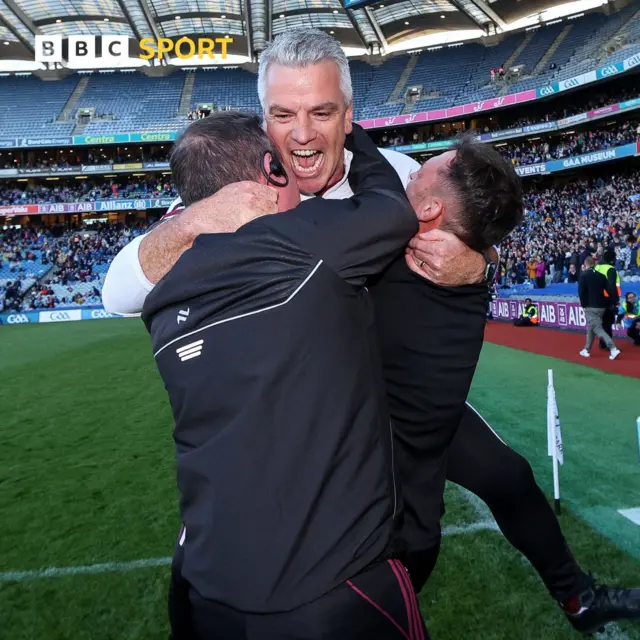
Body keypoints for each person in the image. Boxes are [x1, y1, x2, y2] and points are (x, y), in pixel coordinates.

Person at [103, 28, 640, 636]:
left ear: (348, 117)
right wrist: (195, 221)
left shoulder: (398, 176)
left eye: (321, 113)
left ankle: (577, 597)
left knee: (502, 476)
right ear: (264, 122)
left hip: (390, 385)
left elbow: (471, 218)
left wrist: (479, 262)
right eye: (284, 115)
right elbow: (117, 290)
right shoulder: (230, 191)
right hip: (294, 399)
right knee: (223, 542)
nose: (302, 134)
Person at [144, 113, 428, 639]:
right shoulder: (302, 243)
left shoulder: (161, 302)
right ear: (271, 171)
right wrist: (346, 126)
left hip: (212, 594)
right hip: (335, 589)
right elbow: (393, 210)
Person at [579, 256, 621, 360]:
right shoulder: (602, 276)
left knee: (597, 328)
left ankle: (613, 348)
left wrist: (583, 305)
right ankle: (586, 349)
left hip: (590, 306)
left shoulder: (583, 275)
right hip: (602, 306)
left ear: (585, 264)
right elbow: (610, 289)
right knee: (591, 327)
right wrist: (613, 302)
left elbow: (581, 292)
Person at [595, 250, 621, 350]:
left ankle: (602, 343)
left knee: (603, 323)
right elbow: (611, 287)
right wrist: (614, 301)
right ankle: (608, 345)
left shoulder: (597, 267)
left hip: (597, 299)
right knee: (608, 323)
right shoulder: (610, 269)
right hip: (607, 299)